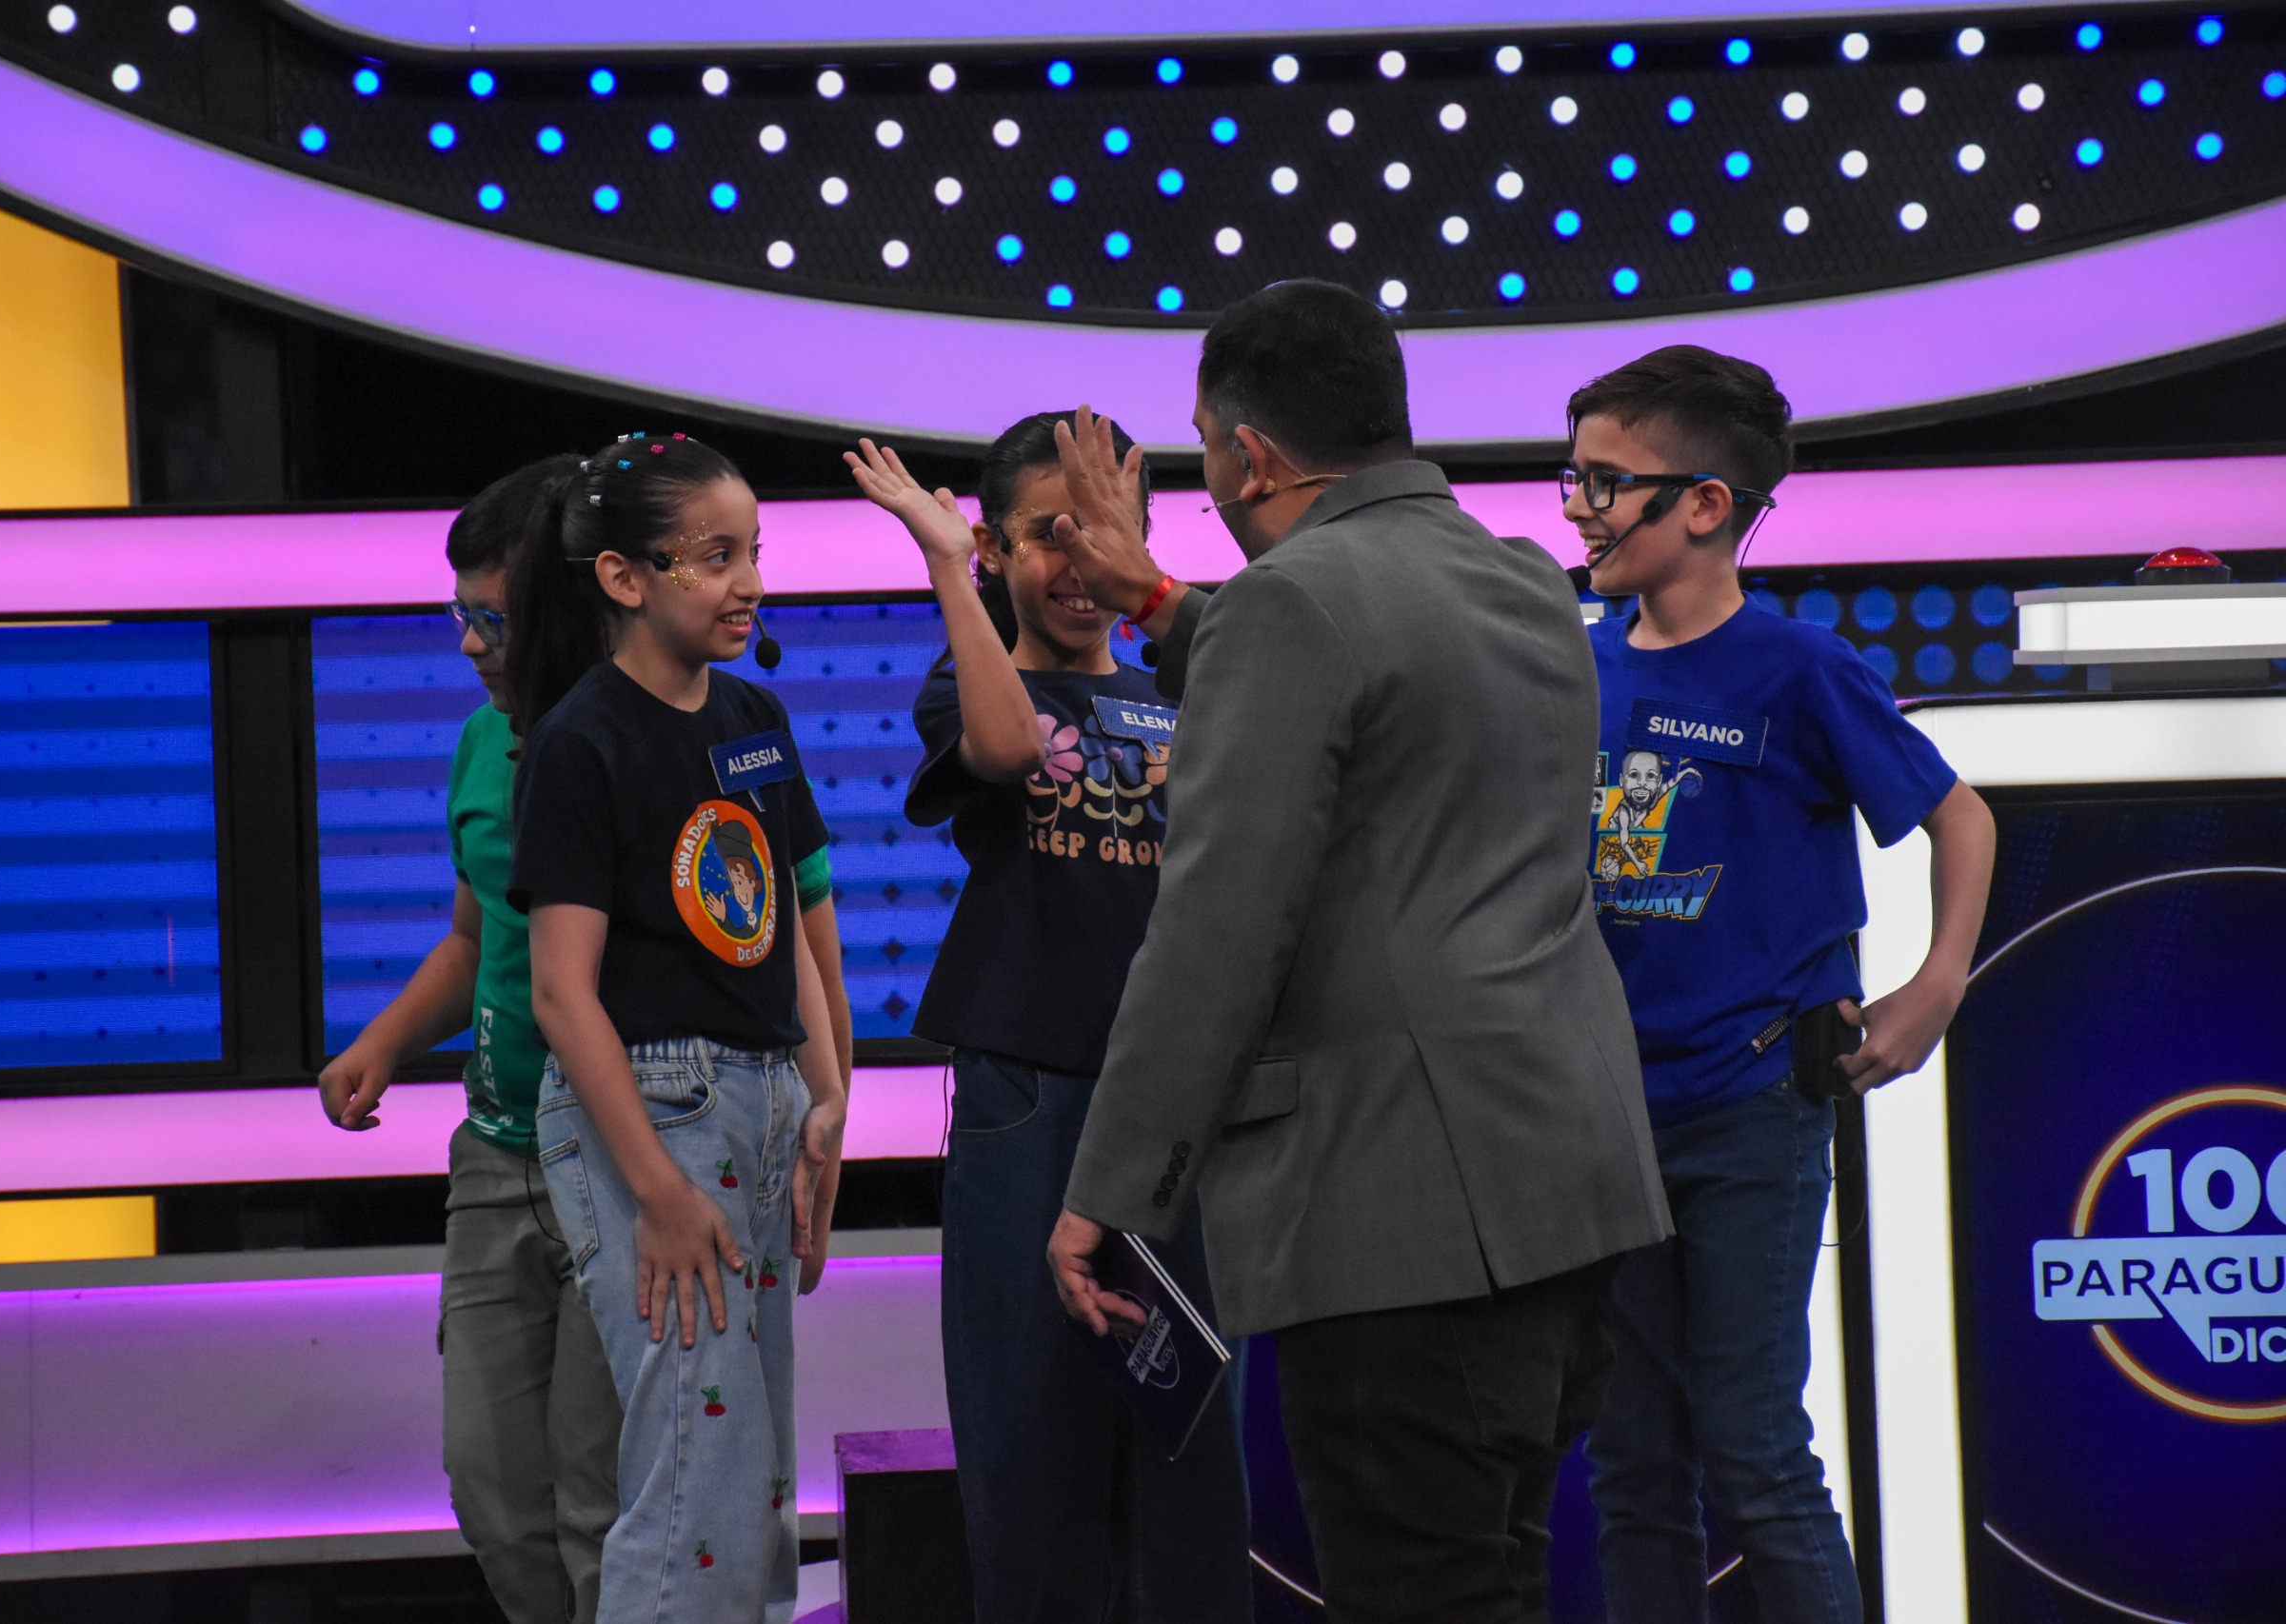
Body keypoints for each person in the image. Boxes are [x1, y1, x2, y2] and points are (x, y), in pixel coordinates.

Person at [1042, 279, 1672, 1623]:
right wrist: (1157, 599)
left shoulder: (1293, 606)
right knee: (1495, 1581)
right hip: (1567, 1191)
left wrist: (1112, 1187)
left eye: (1204, 448)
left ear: (1251, 456)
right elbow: (1365, 663)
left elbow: (1215, 934)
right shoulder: (1516, 573)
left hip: (1406, 1220)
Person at [1561, 346, 1995, 1624]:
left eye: (1606, 481)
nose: (1580, 507)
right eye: (1572, 477)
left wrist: (1936, 984)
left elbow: (1960, 816)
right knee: (1632, 1464)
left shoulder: (1800, 667)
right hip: (1601, 1121)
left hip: (1749, 1108)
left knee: (1752, 1444)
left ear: (1706, 503)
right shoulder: (1572, 662)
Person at [845, 418, 1251, 1623]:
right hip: (1031, 1092)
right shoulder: (968, 679)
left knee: (1192, 1453)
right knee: (1030, 1446)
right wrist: (942, 563)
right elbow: (1010, 743)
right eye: (1044, 535)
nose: (1076, 565)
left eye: (1103, 531)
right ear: (992, 547)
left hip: (1184, 1098)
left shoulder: (1193, 678)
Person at [503, 432, 851, 1624]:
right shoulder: (581, 739)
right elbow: (562, 992)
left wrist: (825, 1103)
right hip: (653, 1111)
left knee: (753, 1491)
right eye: (712, 556)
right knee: (694, 1485)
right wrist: (655, 1187)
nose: (747, 581)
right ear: (623, 576)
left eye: (752, 550)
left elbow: (781, 923)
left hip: (764, 1100)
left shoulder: (753, 714)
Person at [317, 454, 622, 1624]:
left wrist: (818, 1107)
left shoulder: (654, 740)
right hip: (495, 1156)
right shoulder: (477, 744)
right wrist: (384, 1041)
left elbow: (792, 922)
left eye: (491, 619)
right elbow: (472, 932)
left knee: (600, 1500)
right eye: (459, 615)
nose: (468, 643)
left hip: (621, 1161)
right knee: (494, 1492)